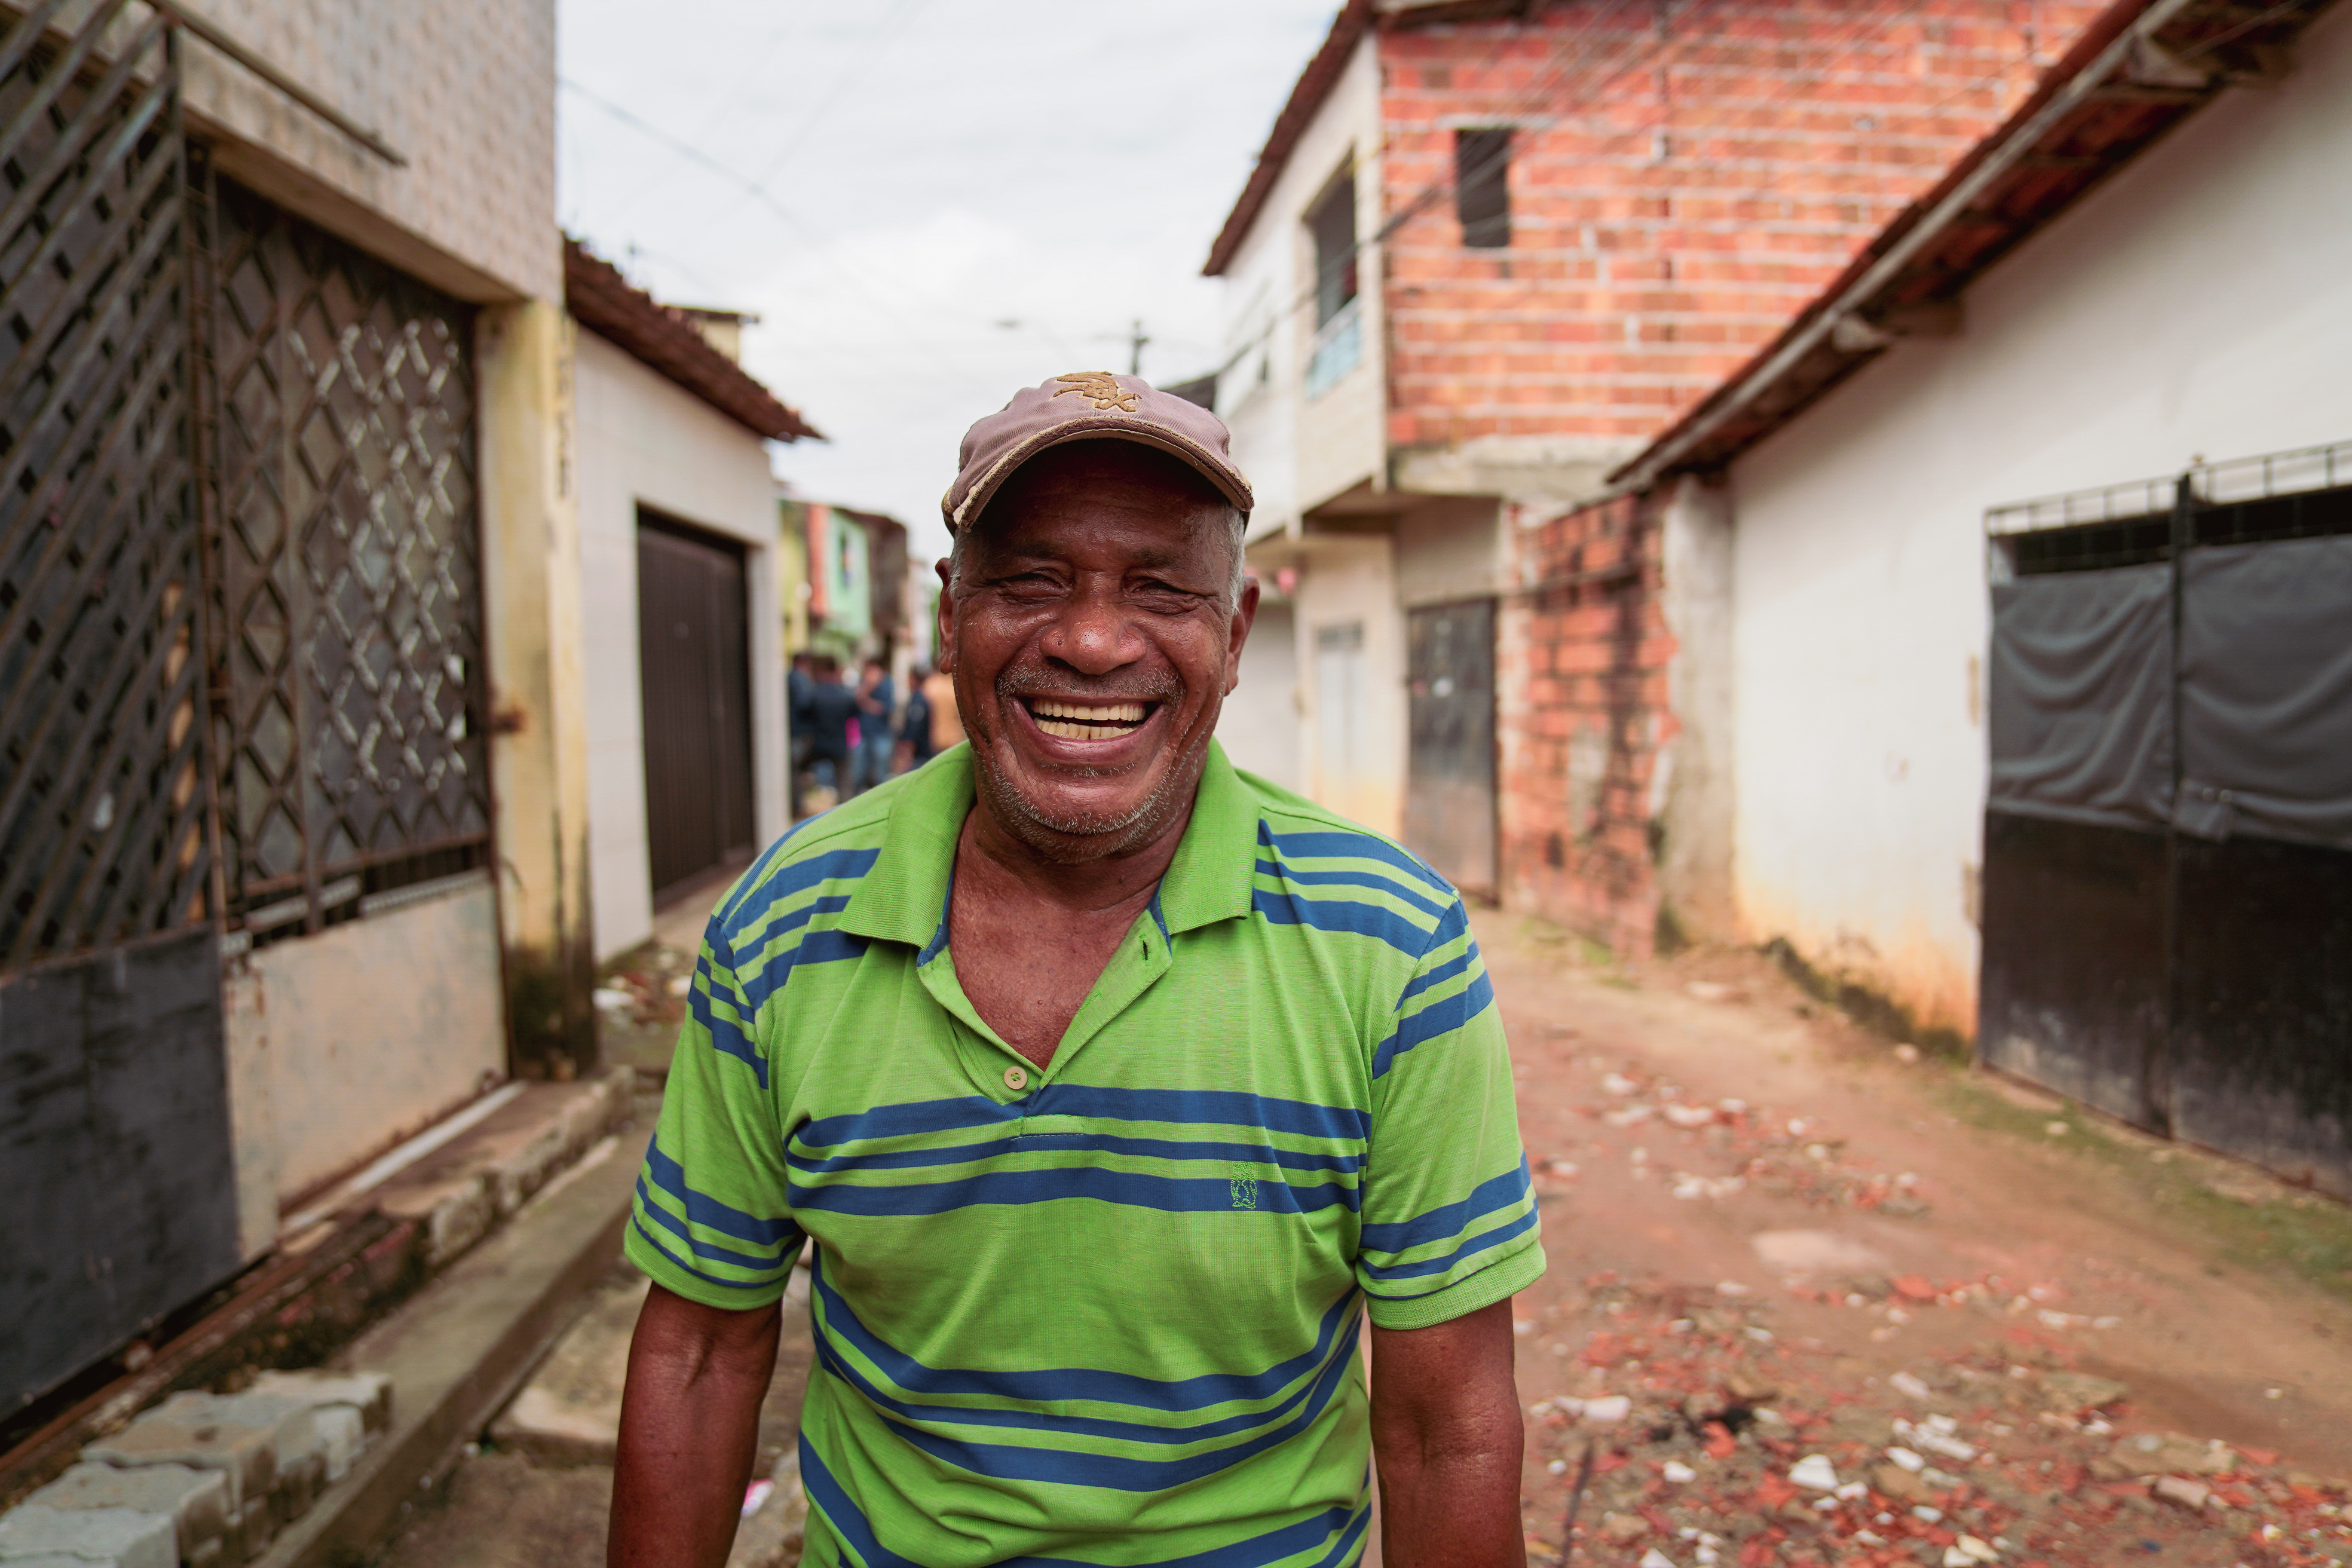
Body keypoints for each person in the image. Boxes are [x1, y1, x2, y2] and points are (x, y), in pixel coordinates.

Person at [611, 372, 1541, 1568]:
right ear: (952, 615)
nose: (1093, 640)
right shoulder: (785, 926)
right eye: (1033, 580)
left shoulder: (1390, 944)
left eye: (1161, 585)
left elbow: (1447, 1427)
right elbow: (697, 1352)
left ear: (1237, 631)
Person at [801, 656, 856, 806]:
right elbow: (855, 714)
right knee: (844, 785)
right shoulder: (845, 696)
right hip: (840, 745)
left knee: (813, 778)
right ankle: (846, 815)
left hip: (817, 744)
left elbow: (804, 715)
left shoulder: (814, 694)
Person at [852, 656, 896, 790]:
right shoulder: (864, 683)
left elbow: (885, 709)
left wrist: (867, 703)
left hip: (881, 734)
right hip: (863, 733)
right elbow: (856, 701)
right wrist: (868, 687)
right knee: (858, 773)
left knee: (880, 774)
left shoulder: (887, 684)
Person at [786, 651, 816, 816]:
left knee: (797, 771)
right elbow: (806, 704)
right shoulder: (799, 679)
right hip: (799, 732)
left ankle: (797, 804)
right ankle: (797, 805)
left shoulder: (791, 677)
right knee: (797, 771)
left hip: (796, 731)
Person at [897, 664, 935, 770]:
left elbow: (914, 730)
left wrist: (906, 756)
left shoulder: (918, 701)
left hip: (918, 756)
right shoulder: (919, 698)